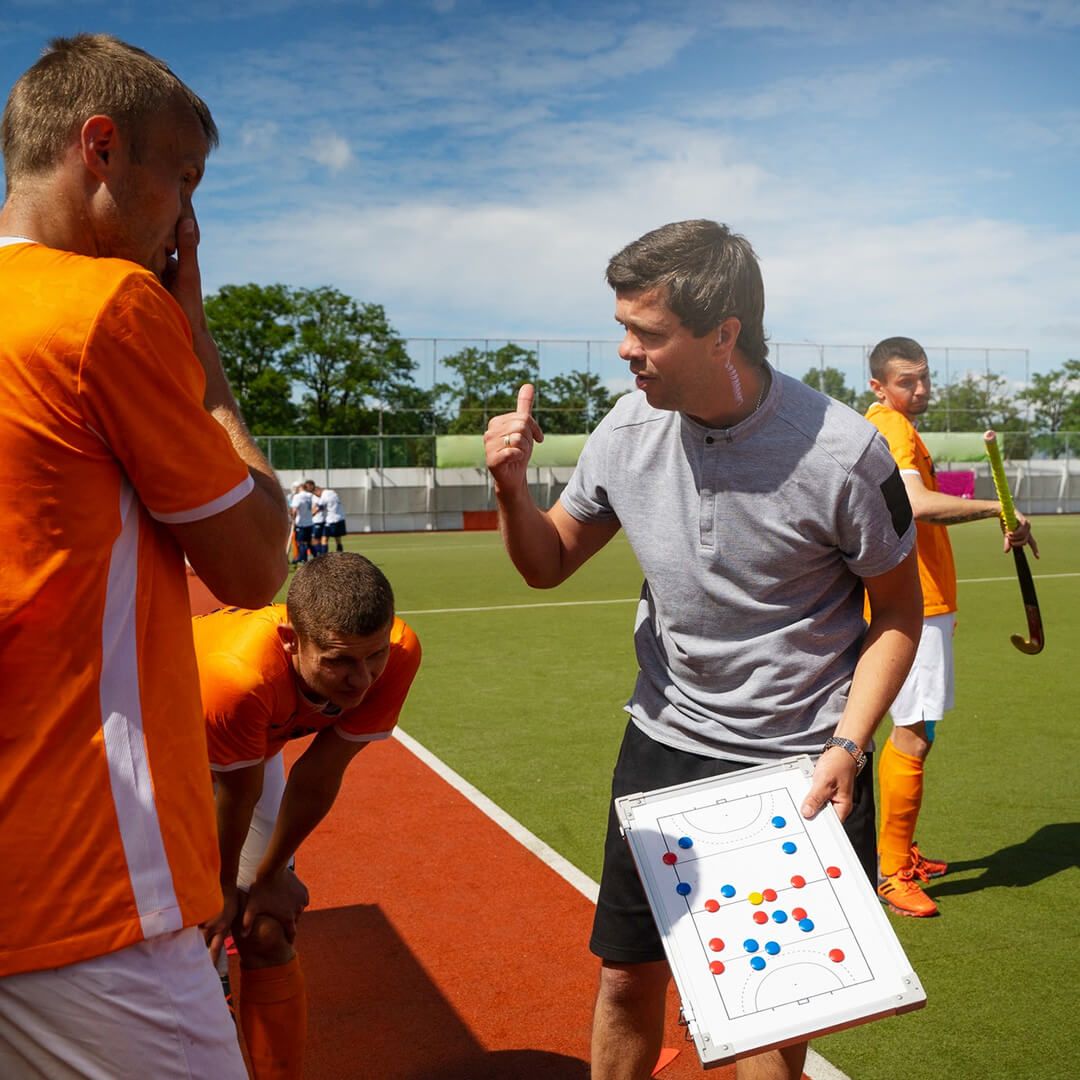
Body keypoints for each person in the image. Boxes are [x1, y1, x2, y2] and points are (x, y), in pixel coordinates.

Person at [484, 220, 923, 1080]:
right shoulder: (625, 427)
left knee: (768, 1023)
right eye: (624, 327)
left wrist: (848, 744)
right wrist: (510, 490)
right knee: (623, 977)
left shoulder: (844, 452)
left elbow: (899, 616)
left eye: (647, 333)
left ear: (724, 333)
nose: (625, 351)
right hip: (665, 745)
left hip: (796, 765)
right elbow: (548, 562)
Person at [0, 33, 289, 1080]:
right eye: (183, 176)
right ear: (102, 148)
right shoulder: (107, 309)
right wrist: (200, 350)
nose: (187, 217)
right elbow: (257, 567)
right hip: (89, 890)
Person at [193, 553, 422, 1080]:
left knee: (267, 926)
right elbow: (236, 794)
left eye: (374, 656)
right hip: (161, 753)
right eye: (340, 661)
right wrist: (223, 888)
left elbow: (319, 775)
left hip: (248, 752)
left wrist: (269, 878)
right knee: (191, 939)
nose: (360, 679)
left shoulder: (400, 652)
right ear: (293, 641)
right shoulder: (240, 676)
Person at [865, 336, 1037, 917]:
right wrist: (998, 509)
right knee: (913, 732)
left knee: (917, 730)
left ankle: (897, 850)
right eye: (907, 380)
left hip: (919, 596)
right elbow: (916, 506)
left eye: (924, 378)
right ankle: (891, 872)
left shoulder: (888, 425)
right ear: (879, 386)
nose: (921, 389)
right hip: (919, 600)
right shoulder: (890, 428)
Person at [311, 482, 347, 552]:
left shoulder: (323, 496)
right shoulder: (332, 492)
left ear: (317, 491)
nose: (317, 496)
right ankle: (340, 556)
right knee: (338, 540)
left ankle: (323, 558)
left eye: (316, 494)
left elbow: (319, 508)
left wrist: (313, 513)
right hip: (341, 518)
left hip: (331, 520)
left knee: (324, 539)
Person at [291, 479, 316, 563]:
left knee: (301, 543)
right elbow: (315, 507)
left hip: (301, 523)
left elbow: (294, 510)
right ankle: (317, 558)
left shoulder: (297, 496)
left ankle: (304, 561)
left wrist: (292, 520)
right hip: (310, 523)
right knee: (309, 543)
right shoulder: (310, 495)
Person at [308, 480, 327, 557]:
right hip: (319, 520)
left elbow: (319, 507)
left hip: (317, 521)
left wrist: (311, 514)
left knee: (315, 540)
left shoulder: (315, 497)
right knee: (319, 540)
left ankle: (319, 557)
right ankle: (321, 556)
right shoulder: (315, 496)